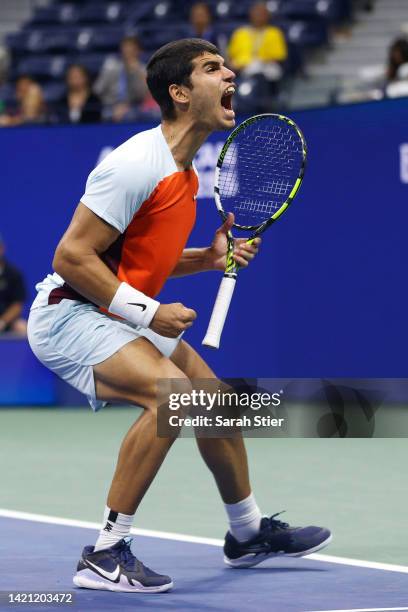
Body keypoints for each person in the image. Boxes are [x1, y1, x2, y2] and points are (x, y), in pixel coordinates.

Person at [27, 38, 331, 594]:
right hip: (69, 315)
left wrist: (211, 259)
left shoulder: (186, 178)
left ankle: (247, 532)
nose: (230, 73)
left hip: (113, 311)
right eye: (213, 68)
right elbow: (71, 257)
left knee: (213, 399)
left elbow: (144, 263)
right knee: (174, 397)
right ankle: (105, 554)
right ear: (180, 93)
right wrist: (149, 311)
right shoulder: (134, 164)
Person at [94, 35, 149, 122]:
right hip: (109, 105)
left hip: (133, 106)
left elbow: (142, 95)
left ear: (138, 51)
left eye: (131, 49)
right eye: (125, 49)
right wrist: (112, 105)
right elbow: (97, 89)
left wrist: (135, 72)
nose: (128, 52)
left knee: (131, 115)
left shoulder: (143, 70)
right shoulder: (111, 67)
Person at [227, 2, 287, 80]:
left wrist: (257, 63)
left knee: (261, 69)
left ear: (268, 16)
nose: (258, 16)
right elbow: (231, 56)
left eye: (262, 13)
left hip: (265, 67)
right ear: (250, 15)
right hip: (241, 67)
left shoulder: (274, 32)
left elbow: (278, 57)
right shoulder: (240, 32)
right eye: (256, 13)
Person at [0, 234, 27, 336]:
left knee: (23, 327)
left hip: (9, 322)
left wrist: (2, 322)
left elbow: (17, 305)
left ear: (2, 249)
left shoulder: (13, 273)